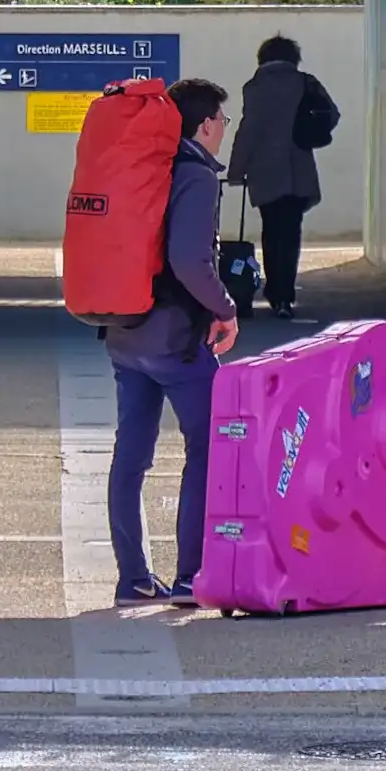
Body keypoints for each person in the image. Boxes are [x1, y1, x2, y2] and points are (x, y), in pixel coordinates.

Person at [104, 75, 241, 603]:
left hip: (123, 329)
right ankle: (191, 575)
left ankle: (133, 578)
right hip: (175, 341)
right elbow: (190, 260)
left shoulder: (141, 166)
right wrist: (224, 308)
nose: (223, 130)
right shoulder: (196, 177)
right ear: (206, 124)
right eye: (223, 121)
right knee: (207, 446)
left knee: (131, 454)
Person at [223, 34, 340, 321]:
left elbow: (248, 130)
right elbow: (332, 114)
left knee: (271, 231)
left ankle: (276, 293)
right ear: (293, 58)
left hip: (266, 172)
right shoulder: (305, 82)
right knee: (292, 232)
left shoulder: (255, 88)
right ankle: (285, 295)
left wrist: (236, 170)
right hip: (299, 170)